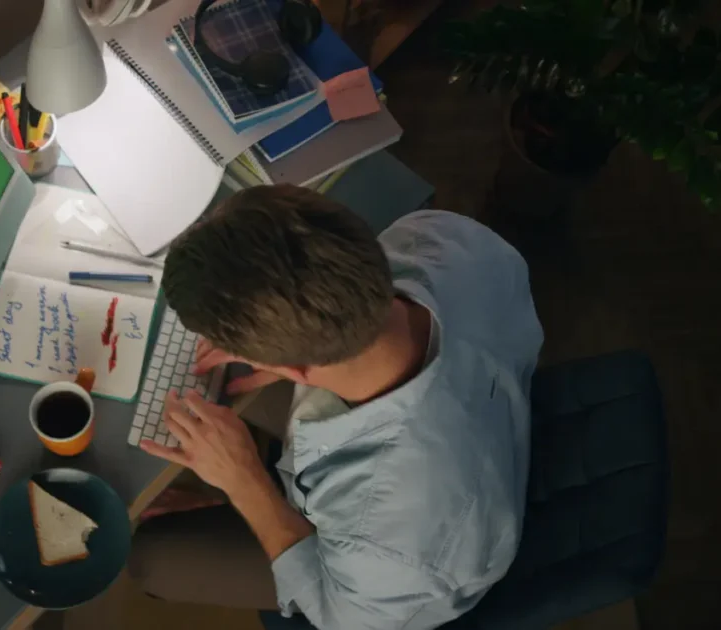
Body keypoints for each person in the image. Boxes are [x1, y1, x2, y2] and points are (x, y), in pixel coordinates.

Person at [131, 185, 543, 630]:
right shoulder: (437, 237)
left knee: (150, 556)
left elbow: (338, 616)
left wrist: (246, 485)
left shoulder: (390, 538)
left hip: (381, 582)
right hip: (465, 402)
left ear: (297, 367)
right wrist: (290, 352)